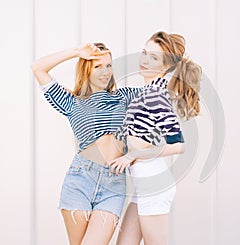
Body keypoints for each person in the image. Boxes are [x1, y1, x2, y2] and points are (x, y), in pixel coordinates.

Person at [31, 43, 142, 245]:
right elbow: (38, 67)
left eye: (108, 66)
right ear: (86, 68)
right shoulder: (71, 101)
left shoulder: (124, 97)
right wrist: (76, 52)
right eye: (98, 66)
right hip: (80, 180)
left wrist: (178, 65)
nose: (105, 72)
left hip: (113, 184)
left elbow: (162, 93)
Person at [109, 31, 202, 245]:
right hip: (144, 186)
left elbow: (178, 145)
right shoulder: (149, 90)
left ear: (165, 66)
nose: (144, 61)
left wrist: (132, 155)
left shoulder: (156, 95)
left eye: (153, 58)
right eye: (144, 53)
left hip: (153, 186)